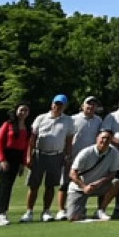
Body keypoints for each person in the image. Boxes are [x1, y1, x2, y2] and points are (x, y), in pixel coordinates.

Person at [22, 94, 74, 223]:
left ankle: (46, 211)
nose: (58, 107)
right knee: (34, 185)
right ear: (52, 104)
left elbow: (69, 140)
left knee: (50, 186)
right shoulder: (41, 118)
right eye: (56, 104)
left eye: (61, 105)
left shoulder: (68, 121)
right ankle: (29, 212)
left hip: (57, 155)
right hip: (39, 154)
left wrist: (67, 156)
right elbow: (32, 139)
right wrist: (29, 156)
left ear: (65, 107)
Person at [66, 129, 119, 222]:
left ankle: (100, 210)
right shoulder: (86, 152)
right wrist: (84, 187)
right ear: (97, 138)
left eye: (108, 138)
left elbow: (112, 174)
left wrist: (99, 182)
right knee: (73, 217)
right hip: (79, 188)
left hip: (99, 186)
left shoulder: (114, 152)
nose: (105, 140)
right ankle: (81, 209)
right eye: (103, 138)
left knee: (116, 182)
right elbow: (72, 173)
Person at [0, 104, 31, 226]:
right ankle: (2, 213)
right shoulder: (8, 124)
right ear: (17, 111)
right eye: (21, 110)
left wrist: (23, 163)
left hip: (17, 158)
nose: (23, 112)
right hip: (5, 156)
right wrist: (2, 159)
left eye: (26, 110)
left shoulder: (27, 128)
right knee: (6, 185)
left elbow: (25, 147)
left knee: (4, 185)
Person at [62, 96, 103, 219]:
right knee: (66, 183)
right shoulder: (73, 119)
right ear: (82, 106)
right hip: (73, 156)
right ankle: (61, 209)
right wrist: (67, 154)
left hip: (90, 158)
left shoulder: (98, 120)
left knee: (85, 183)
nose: (91, 107)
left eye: (93, 104)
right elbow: (67, 137)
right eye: (88, 104)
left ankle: (82, 209)